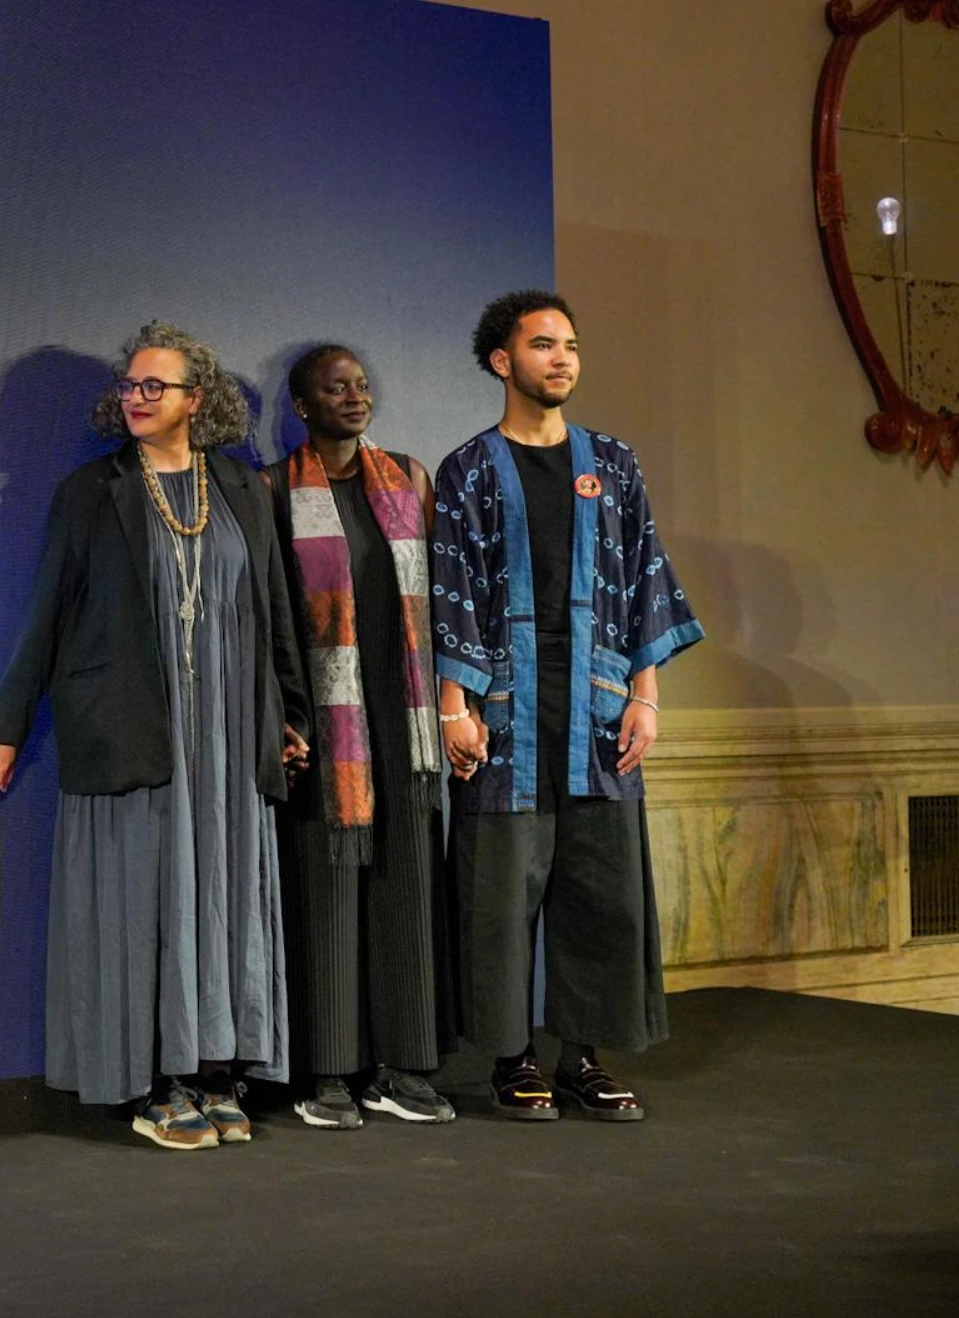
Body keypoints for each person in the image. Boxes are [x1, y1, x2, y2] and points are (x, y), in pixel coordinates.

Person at [0, 324, 310, 1152]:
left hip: (228, 739)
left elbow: (275, 611)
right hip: (135, 732)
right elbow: (45, 617)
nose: (138, 397)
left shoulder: (239, 486)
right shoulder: (93, 491)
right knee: (145, 906)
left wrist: (289, 716)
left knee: (224, 899)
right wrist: (3, 732)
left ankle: (217, 1070)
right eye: (130, 386)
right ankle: (154, 1083)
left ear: (199, 398)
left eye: (157, 386)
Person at [434, 291, 704, 1123]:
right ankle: (511, 1058)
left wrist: (646, 697)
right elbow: (452, 592)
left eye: (572, 346)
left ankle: (581, 1054)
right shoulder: (470, 469)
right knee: (501, 885)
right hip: (506, 698)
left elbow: (644, 577)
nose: (563, 359)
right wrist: (455, 706)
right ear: (501, 361)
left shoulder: (612, 464)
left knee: (599, 881)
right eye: (543, 344)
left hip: (597, 693)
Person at [264, 346, 454, 1130]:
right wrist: (282, 714)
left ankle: (403, 1066)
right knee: (330, 894)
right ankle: (329, 1073)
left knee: (406, 890)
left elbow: (439, 600)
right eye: (335, 387)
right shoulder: (275, 488)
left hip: (401, 718)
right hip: (328, 726)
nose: (355, 396)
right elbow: (272, 616)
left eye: (362, 384)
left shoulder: (409, 478)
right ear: (302, 404)